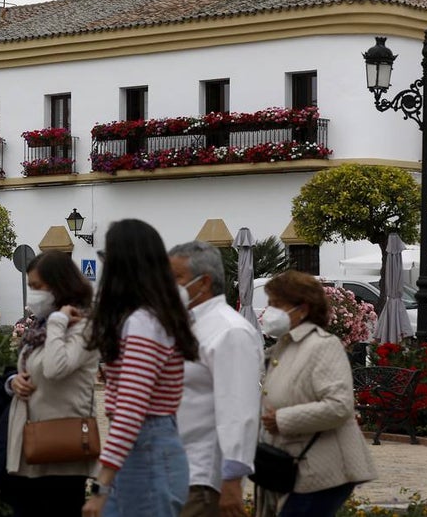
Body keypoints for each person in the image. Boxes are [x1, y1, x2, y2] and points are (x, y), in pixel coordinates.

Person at [83, 219, 199, 517]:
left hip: (146, 449)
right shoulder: (151, 318)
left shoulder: (143, 324)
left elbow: (132, 409)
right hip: (149, 447)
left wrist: (101, 486)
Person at [256, 271, 377, 517]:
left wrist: (281, 419)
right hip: (297, 467)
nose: (269, 311)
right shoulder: (285, 346)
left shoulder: (323, 345)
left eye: (276, 304)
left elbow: (339, 406)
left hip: (322, 471)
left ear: (302, 308)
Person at [4, 249, 101, 516]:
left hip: (61, 450)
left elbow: (55, 368)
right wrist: (13, 381)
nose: (33, 294)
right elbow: (27, 369)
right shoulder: (39, 327)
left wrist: (59, 321)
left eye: (37, 287)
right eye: (30, 286)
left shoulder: (83, 326)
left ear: (59, 286)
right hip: (29, 447)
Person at [169, 241, 263, 517]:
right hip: (175, 468)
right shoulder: (188, 325)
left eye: (176, 278)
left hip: (202, 475)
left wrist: (232, 479)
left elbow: (239, 409)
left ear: (204, 282)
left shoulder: (230, 331)